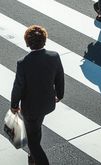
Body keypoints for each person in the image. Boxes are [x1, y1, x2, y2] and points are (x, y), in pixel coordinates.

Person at [11, 24, 64, 165]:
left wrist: (14, 105)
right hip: (47, 103)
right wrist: (60, 94)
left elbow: (18, 86)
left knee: (33, 141)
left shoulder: (23, 63)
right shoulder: (54, 56)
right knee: (36, 128)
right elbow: (60, 77)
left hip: (30, 107)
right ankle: (32, 157)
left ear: (28, 43)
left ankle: (36, 157)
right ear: (44, 40)